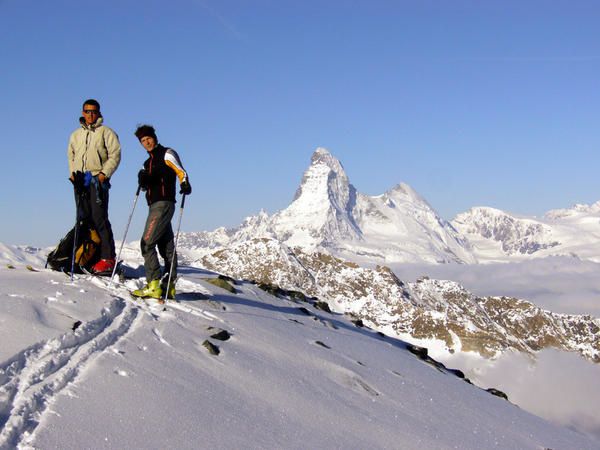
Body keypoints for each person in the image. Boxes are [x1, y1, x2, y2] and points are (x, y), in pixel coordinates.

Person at [131, 125, 191, 299]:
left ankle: (153, 284)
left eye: (148, 138)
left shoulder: (166, 153)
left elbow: (180, 170)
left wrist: (185, 183)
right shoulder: (147, 163)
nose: (146, 142)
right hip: (155, 205)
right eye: (142, 141)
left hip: (163, 204)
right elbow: (148, 184)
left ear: (154, 137)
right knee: (166, 246)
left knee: (147, 243)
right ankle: (169, 285)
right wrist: (143, 181)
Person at [67, 99, 121, 274]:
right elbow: (71, 155)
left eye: (94, 111)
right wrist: (73, 173)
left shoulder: (106, 132)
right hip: (80, 181)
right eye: (87, 111)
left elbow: (115, 154)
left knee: (99, 218)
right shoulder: (75, 135)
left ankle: (108, 258)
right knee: (84, 219)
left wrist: (105, 174)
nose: (90, 114)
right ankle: (89, 256)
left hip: (97, 179)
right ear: (82, 112)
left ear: (99, 113)